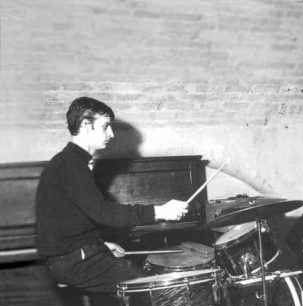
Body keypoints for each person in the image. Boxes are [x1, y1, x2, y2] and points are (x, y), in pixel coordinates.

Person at [36, 97, 189, 294]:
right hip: (72, 263)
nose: (111, 133)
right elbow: (103, 212)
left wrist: (100, 245)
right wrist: (159, 211)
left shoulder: (68, 162)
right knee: (156, 288)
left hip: (72, 257)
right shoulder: (71, 165)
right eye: (106, 126)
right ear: (85, 125)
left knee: (145, 279)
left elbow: (70, 222)